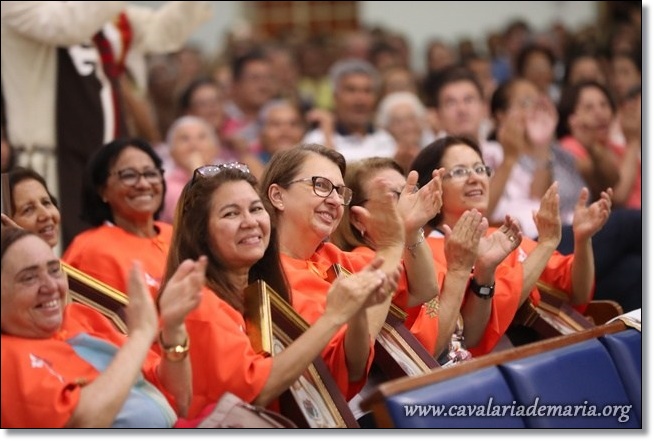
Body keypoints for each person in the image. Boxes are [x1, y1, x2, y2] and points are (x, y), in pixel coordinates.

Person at [161, 162, 392, 419]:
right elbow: (254, 393)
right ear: (200, 233)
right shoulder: (199, 302)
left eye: (255, 209)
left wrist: (357, 312)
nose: (250, 222)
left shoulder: (262, 293)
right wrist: (334, 317)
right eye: (231, 214)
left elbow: (344, 372)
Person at [1, 1, 212, 249]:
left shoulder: (107, 15)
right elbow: (66, 25)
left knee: (112, 253)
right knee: (49, 259)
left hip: (106, 165)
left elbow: (164, 33)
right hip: (48, 163)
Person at [410, 136, 612, 356]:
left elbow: (577, 291)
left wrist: (582, 240)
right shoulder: (426, 252)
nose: (475, 178)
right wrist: (545, 246)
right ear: (433, 187)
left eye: (480, 169)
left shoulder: (502, 235)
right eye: (459, 172)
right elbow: (481, 325)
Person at [261, 143, 442, 376]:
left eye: (339, 191)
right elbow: (350, 366)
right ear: (278, 196)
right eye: (321, 185)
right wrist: (390, 247)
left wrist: (411, 229)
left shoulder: (331, 257)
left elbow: (423, 289)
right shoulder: (268, 274)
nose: (335, 201)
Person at [1, 226, 206, 427]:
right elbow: (84, 423)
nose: (52, 286)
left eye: (54, 271)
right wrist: (141, 335)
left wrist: (173, 327)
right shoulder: (8, 356)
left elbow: (179, 398)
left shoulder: (80, 317)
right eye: (29, 278)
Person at [330, 157, 486, 361]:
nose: (409, 201)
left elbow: (468, 335)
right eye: (394, 195)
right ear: (358, 218)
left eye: (410, 192)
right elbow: (426, 353)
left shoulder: (416, 252)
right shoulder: (363, 263)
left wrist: (486, 274)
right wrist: (458, 271)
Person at [63, 138, 170, 297]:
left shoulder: (178, 235)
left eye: (151, 174)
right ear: (102, 190)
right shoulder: (90, 250)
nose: (144, 184)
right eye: (129, 176)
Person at [302, 59, 396, 161]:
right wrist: (328, 135)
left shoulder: (385, 140)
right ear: (335, 97)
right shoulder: (316, 140)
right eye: (351, 90)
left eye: (367, 91)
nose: (360, 99)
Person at [161, 116, 223, 223]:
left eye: (201, 137)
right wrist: (197, 171)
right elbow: (196, 219)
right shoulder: (166, 185)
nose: (194, 145)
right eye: (185, 139)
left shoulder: (229, 176)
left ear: (215, 148)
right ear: (171, 151)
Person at [2, 167, 60, 251]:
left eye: (46, 203)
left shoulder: (69, 258)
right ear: (5, 224)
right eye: (28, 209)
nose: (46, 215)